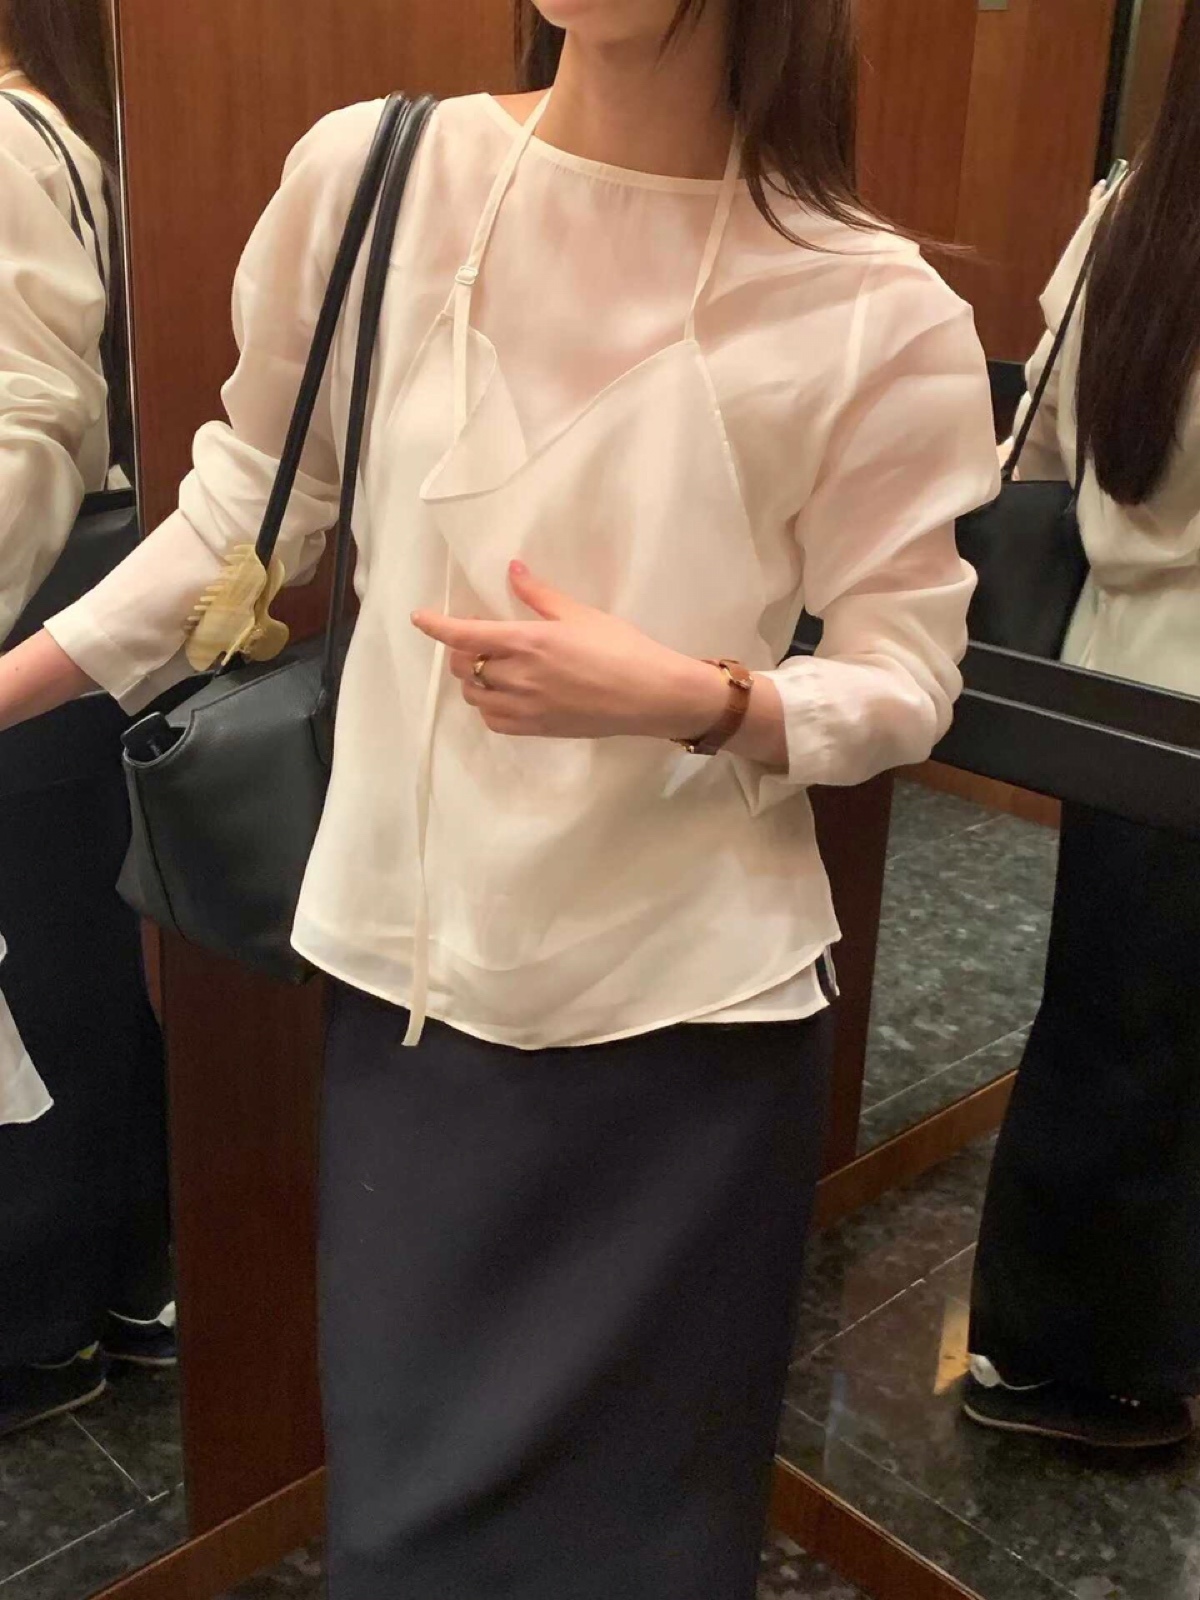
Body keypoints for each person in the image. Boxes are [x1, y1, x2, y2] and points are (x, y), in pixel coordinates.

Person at [0, 0, 998, 1591]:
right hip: (419, 998)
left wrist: (699, 699)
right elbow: (243, 520)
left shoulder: (876, 305)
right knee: (408, 1532)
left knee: (648, 1542)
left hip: (695, 1021)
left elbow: (908, 675)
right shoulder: (378, 180)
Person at [966, 0, 1200, 1451]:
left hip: (1129, 695)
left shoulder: (1131, 215)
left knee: (1117, 1023)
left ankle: (1051, 1343)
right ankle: (1091, 1351)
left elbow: (1040, 445)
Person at [0, 0, 173, 1440]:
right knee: (81, 963)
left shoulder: (5, 134)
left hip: (29, 612)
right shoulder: (78, 128)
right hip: (82, 606)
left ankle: (45, 1327)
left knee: (43, 985)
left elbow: (28, 417)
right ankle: (131, 1280)